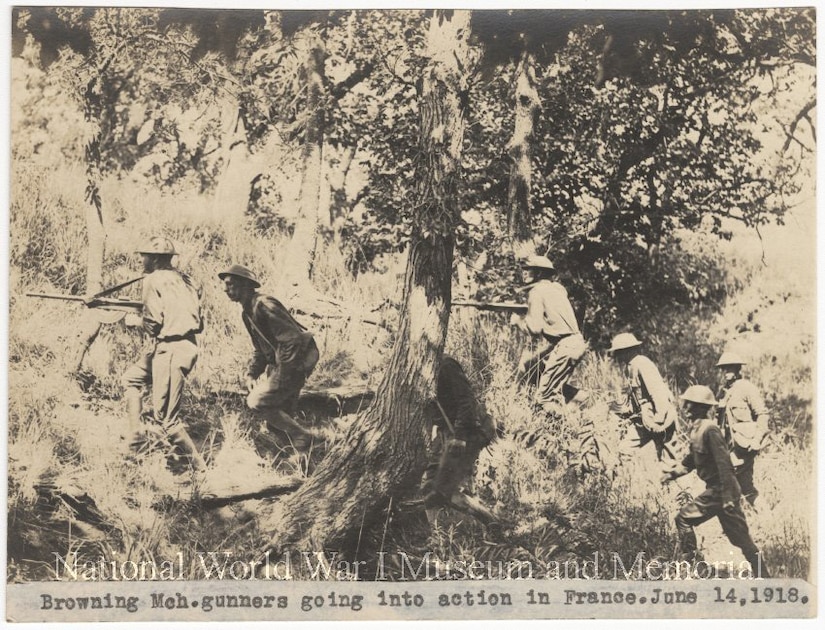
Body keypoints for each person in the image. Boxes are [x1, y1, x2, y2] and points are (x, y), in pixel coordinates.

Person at [661, 385, 769, 577]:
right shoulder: (696, 430)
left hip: (722, 491)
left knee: (683, 519)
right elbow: (690, 461)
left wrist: (728, 498)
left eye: (690, 405)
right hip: (719, 492)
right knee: (741, 539)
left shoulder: (710, 430)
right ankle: (764, 575)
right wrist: (670, 474)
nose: (686, 409)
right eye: (687, 405)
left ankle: (698, 569)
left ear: (701, 408)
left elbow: (725, 465)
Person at [122, 237, 206, 471]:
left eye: (145, 255)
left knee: (167, 419)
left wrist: (136, 321)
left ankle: (200, 470)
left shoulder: (153, 279)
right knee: (131, 379)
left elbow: (153, 323)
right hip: (183, 346)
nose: (142, 260)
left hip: (171, 349)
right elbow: (199, 322)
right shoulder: (187, 280)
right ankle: (137, 438)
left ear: (156, 258)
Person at [219, 264, 321, 450]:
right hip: (284, 360)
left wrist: (283, 374)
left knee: (257, 401)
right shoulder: (247, 312)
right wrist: (251, 374)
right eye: (225, 285)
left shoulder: (264, 304)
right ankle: (299, 454)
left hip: (298, 358)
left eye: (231, 284)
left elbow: (292, 340)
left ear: (245, 285)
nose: (225, 289)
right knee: (279, 416)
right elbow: (261, 349)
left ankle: (302, 437)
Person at [510, 255, 587, 414]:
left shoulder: (536, 292)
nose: (524, 273)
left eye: (528, 270)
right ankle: (578, 398)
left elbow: (535, 330)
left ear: (538, 273)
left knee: (543, 399)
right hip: (572, 343)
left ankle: (564, 427)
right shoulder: (557, 289)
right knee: (531, 369)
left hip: (565, 346)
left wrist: (518, 321)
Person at [420, 356, 496, 512]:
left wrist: (459, 437)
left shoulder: (445, 366)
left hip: (466, 432)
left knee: (442, 490)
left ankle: (490, 522)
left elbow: (466, 400)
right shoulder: (421, 371)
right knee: (430, 485)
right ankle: (437, 533)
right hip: (447, 432)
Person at [608, 332, 678, 461]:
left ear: (626, 351)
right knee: (624, 451)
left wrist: (659, 420)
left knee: (669, 460)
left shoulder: (642, 364)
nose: (617, 356)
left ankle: (678, 480)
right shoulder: (630, 367)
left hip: (659, 418)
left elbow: (658, 393)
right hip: (645, 419)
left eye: (618, 352)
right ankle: (625, 480)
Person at [715, 351, 770, 507]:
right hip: (728, 447)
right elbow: (719, 422)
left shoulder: (747, 388)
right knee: (745, 487)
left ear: (738, 369)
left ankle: (735, 524)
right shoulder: (723, 392)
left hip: (743, 446)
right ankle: (765, 516)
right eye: (723, 369)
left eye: (729, 368)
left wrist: (756, 440)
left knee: (727, 485)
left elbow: (762, 414)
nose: (725, 372)